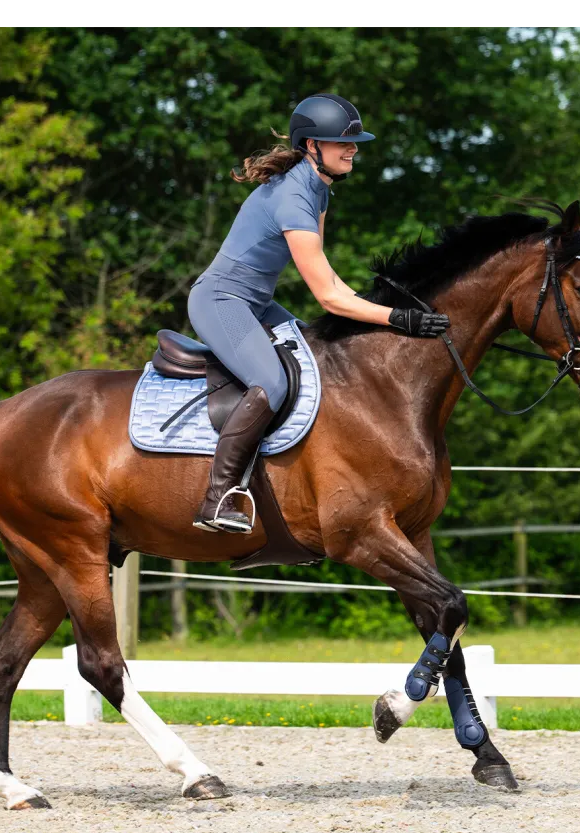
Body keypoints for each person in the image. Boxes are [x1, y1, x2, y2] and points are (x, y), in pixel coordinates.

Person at [188, 92, 450, 534]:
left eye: (354, 142)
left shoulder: (318, 190)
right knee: (271, 381)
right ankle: (218, 496)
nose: (353, 149)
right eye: (341, 142)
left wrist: (384, 313)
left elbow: (330, 278)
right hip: (220, 300)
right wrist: (395, 318)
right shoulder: (293, 197)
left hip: (255, 302)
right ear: (312, 146)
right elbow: (328, 296)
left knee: (319, 356)